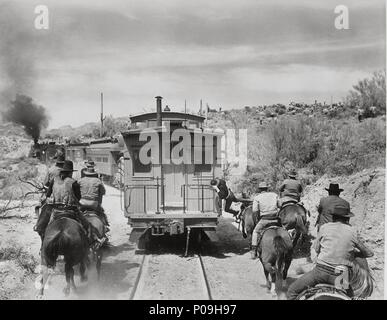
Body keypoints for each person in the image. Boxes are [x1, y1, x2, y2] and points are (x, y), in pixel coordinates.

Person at [287, 208, 374, 300]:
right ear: (347, 219)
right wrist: (351, 254)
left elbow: (316, 249)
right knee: (350, 296)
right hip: (341, 276)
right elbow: (369, 253)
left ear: (333, 218)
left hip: (320, 272)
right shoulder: (352, 231)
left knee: (292, 291)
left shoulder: (325, 227)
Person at [34, 160, 91, 243]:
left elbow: (48, 195)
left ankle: (41, 238)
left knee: (41, 225)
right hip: (71, 210)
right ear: (70, 172)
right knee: (87, 226)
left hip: (56, 210)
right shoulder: (74, 182)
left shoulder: (54, 180)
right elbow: (78, 198)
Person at [250, 182, 281, 259]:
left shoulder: (257, 197)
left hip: (264, 220)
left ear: (260, 189)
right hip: (275, 219)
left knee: (255, 232)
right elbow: (280, 205)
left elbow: (254, 211)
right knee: (285, 229)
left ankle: (253, 251)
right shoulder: (275, 195)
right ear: (267, 188)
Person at [78, 165, 109, 230]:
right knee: (101, 213)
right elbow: (103, 192)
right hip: (94, 203)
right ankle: (105, 225)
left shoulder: (80, 180)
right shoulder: (98, 181)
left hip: (82, 203)